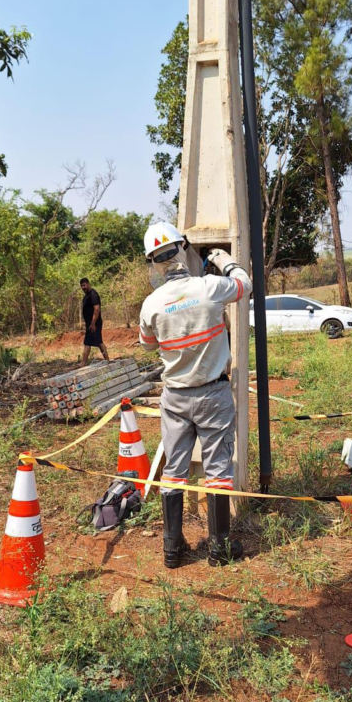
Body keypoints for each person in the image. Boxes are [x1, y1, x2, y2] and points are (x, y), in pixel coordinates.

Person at [139, 221, 252, 569]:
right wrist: (222, 258)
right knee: (218, 469)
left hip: (174, 397)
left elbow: (149, 344)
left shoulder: (151, 305)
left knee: (174, 470)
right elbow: (244, 285)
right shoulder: (209, 287)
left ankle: (173, 550)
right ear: (183, 249)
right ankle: (219, 547)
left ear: (153, 262)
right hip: (212, 394)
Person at [79, 278, 109, 366]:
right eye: (81, 286)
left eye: (84, 285)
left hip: (94, 323)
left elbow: (96, 309)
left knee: (92, 342)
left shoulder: (93, 294)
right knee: (94, 342)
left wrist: (93, 323)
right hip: (90, 323)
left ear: (88, 284)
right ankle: (106, 360)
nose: (83, 287)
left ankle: (84, 362)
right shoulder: (87, 295)